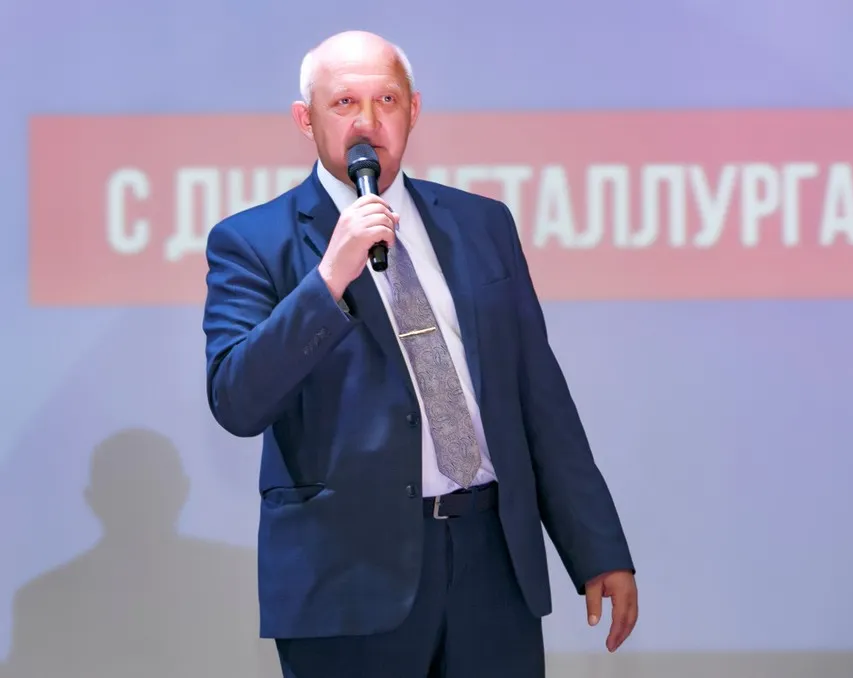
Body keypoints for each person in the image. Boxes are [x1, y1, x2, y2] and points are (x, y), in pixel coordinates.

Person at [202, 29, 637, 678]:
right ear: (305, 119)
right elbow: (237, 399)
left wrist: (597, 548)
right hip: (349, 577)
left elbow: (538, 396)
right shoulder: (252, 241)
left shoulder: (482, 224)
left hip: (491, 564)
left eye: (386, 100)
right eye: (344, 103)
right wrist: (329, 279)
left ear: (413, 110)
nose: (367, 122)